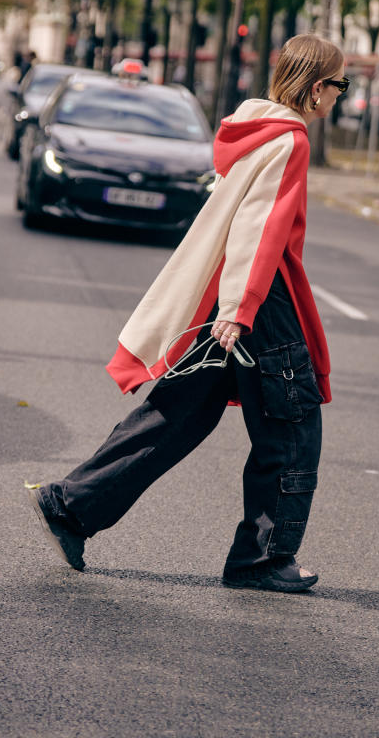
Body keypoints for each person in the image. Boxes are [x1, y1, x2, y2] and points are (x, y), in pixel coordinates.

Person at [28, 34, 350, 593]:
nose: (340, 96)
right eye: (340, 85)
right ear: (317, 87)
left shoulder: (252, 127)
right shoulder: (289, 140)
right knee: (291, 425)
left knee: (178, 413)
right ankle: (262, 559)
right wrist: (241, 309)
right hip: (259, 299)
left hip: (227, 293)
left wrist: (229, 303)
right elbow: (261, 226)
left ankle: (71, 507)